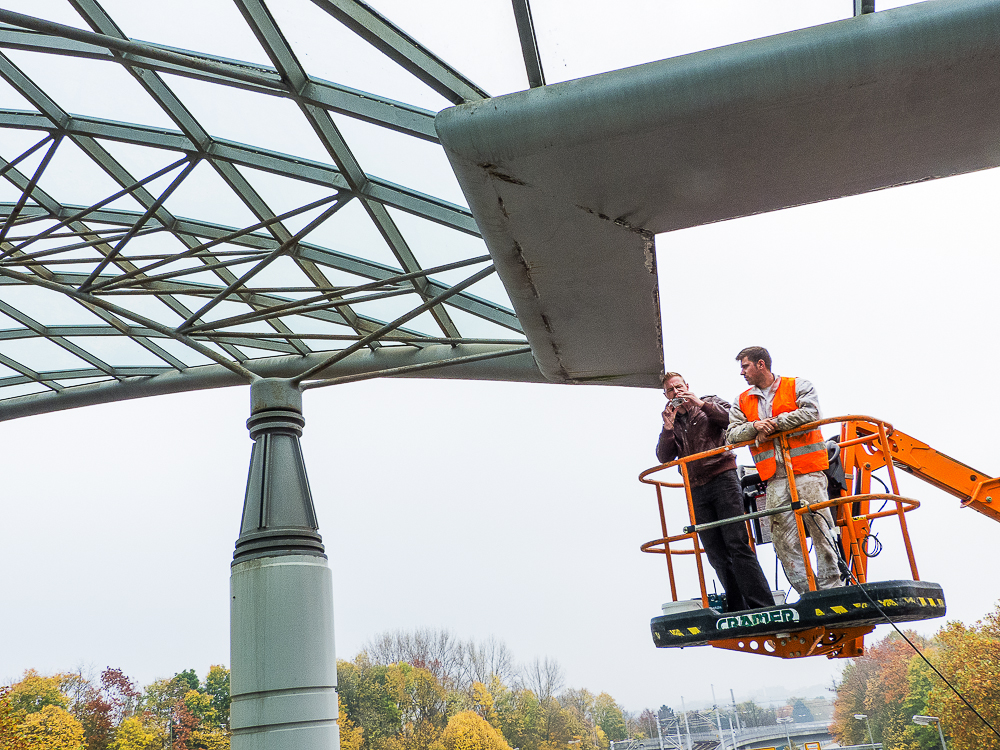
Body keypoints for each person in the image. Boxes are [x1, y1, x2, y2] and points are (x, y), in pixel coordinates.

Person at [726, 346, 844, 595]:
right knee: (782, 540)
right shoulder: (742, 400)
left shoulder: (798, 385)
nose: (742, 372)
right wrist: (756, 426)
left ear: (761, 364)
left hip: (808, 473)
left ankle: (832, 588)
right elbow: (732, 434)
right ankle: (809, 593)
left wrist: (774, 424)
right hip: (776, 479)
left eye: (745, 366)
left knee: (822, 532)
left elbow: (811, 413)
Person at [656, 371, 774, 611]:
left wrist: (700, 403)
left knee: (737, 544)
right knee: (715, 552)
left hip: (723, 478)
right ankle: (737, 607)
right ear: (665, 395)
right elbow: (663, 456)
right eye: (671, 390)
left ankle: (762, 605)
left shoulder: (709, 402)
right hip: (696, 489)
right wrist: (667, 428)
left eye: (679, 387)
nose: (676, 393)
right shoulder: (673, 422)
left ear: (687, 386)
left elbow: (732, 420)